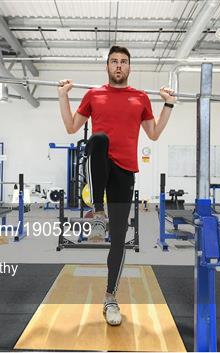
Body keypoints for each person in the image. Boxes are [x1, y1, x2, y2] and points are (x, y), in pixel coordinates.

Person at [57, 46, 176, 326]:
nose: (119, 66)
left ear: (129, 67)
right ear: (107, 66)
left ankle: (110, 296)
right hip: (100, 165)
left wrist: (168, 104)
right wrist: (63, 97)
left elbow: (154, 133)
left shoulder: (140, 97)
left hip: (125, 170)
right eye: (114, 61)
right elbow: (72, 127)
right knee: (98, 139)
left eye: (123, 62)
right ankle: (98, 212)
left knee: (120, 239)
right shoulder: (94, 94)